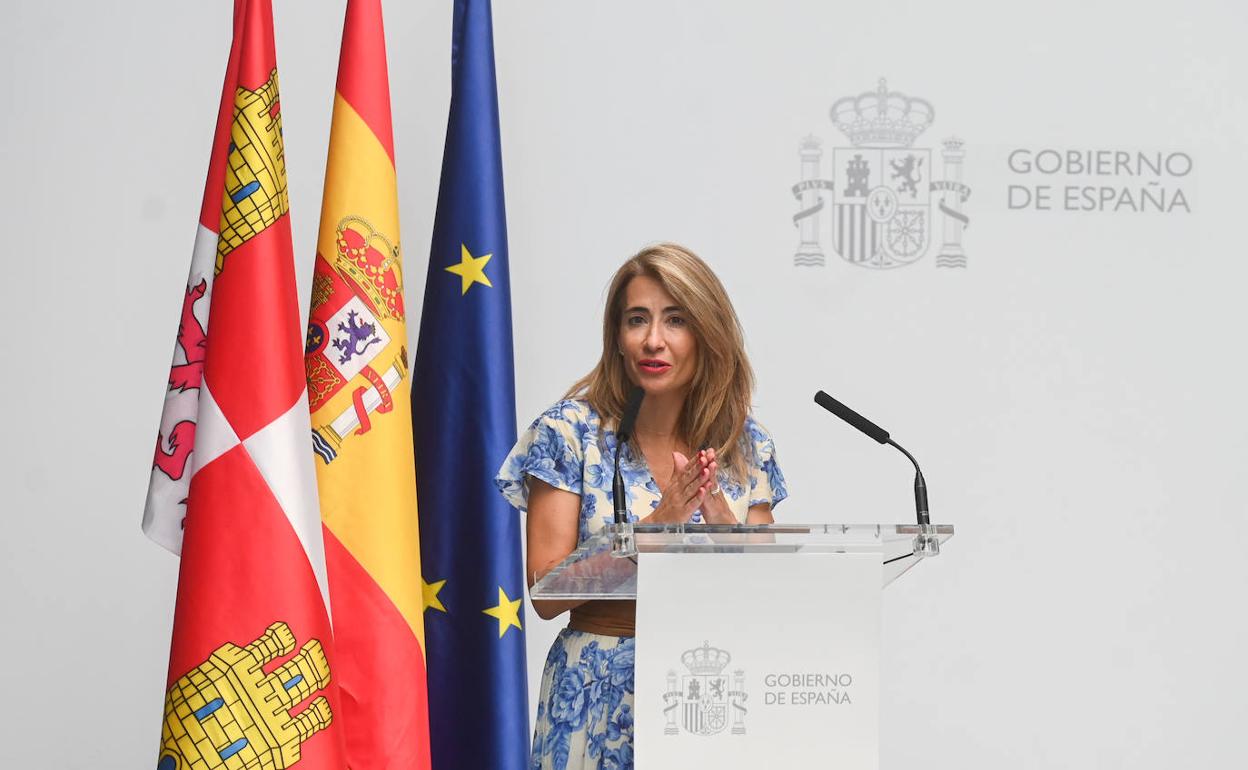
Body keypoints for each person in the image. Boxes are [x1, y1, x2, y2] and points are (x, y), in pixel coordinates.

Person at [495, 243, 787, 770]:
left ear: (707, 333)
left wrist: (724, 527)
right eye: (637, 320)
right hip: (594, 690)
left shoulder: (747, 445)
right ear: (618, 337)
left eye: (675, 320)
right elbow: (543, 593)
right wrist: (656, 528)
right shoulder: (570, 432)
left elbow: (764, 599)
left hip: (711, 691)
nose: (654, 340)